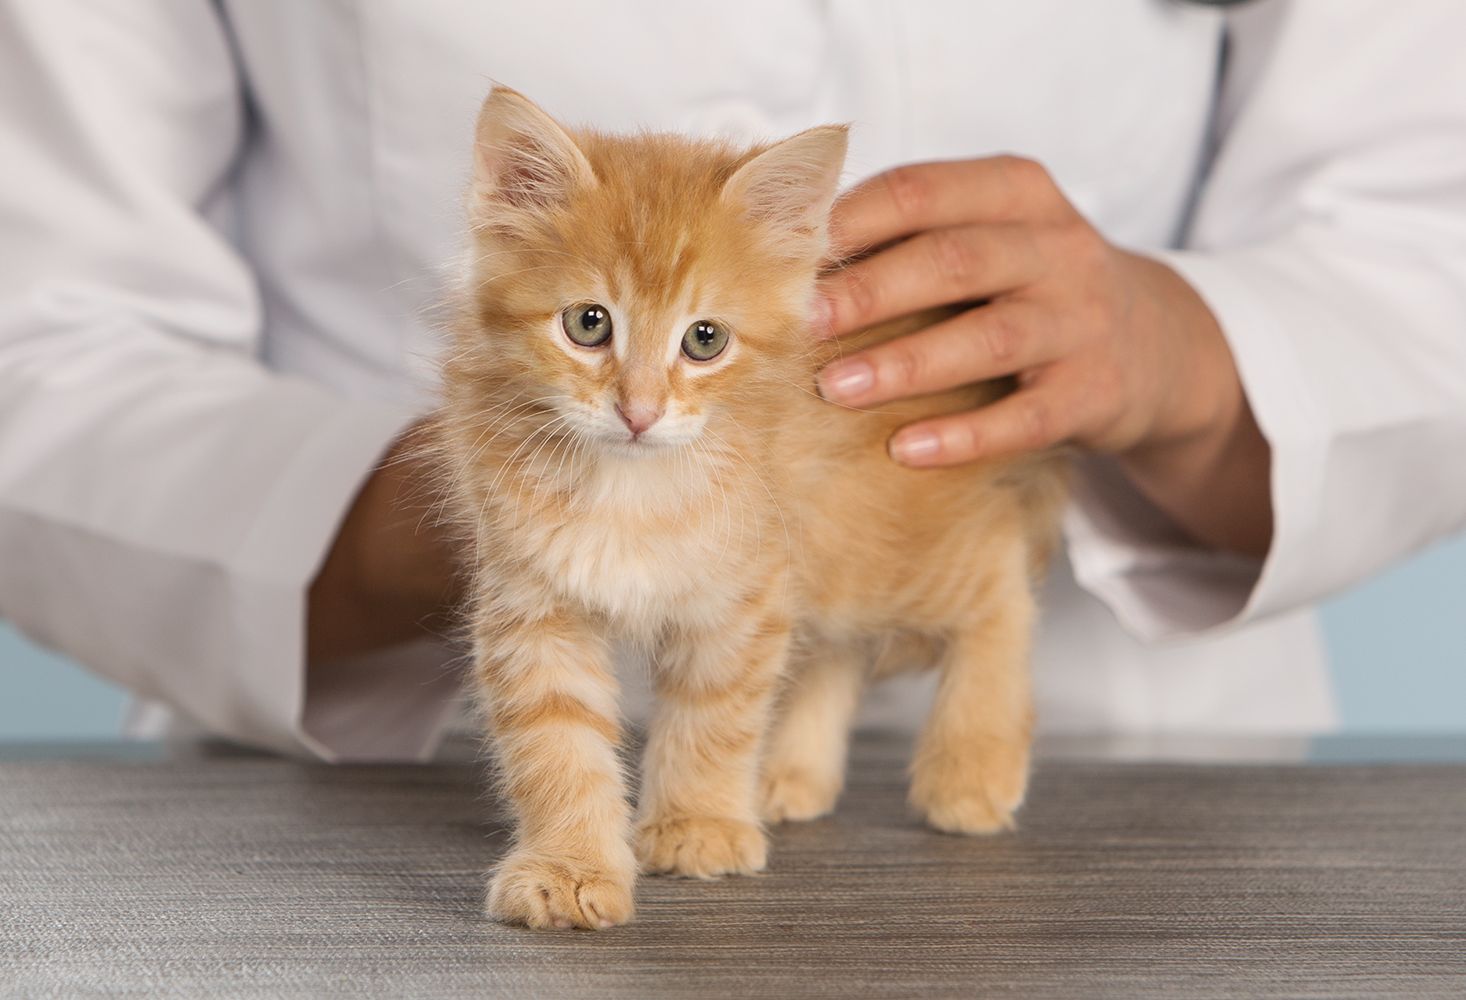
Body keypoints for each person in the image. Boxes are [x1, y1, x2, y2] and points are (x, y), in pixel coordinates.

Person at [2, 1, 1464, 760]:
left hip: (1137, 785)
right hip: (404, 799)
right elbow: (43, 341)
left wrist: (1184, 358)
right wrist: (494, 507)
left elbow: (1424, 241)